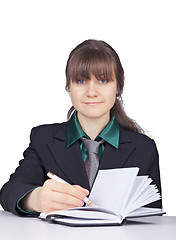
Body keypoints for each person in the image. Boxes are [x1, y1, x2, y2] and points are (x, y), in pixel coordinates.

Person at [0, 39, 162, 216]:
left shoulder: (143, 148)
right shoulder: (44, 138)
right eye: (81, 81)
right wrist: (36, 199)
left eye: (103, 80)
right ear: (69, 86)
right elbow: (10, 191)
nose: (91, 92)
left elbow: (152, 217)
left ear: (118, 87)